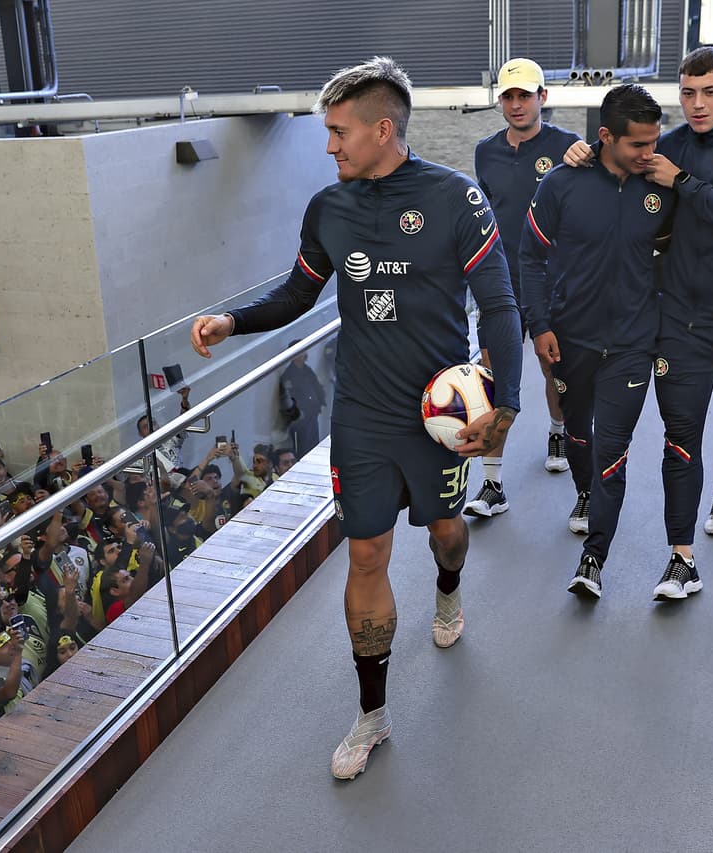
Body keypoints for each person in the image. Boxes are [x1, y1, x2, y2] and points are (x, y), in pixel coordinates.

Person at [190, 56, 522, 781]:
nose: (330, 146)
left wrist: (505, 408)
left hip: (438, 419)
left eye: (339, 132)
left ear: (382, 129)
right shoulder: (328, 209)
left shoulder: (456, 200)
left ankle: (449, 589)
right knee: (366, 556)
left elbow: (499, 307)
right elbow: (295, 295)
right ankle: (372, 713)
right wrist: (231, 319)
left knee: (445, 536)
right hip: (362, 415)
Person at [570, 47, 713, 600]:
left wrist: (682, 181)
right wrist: (581, 155)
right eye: (688, 93)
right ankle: (681, 559)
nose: (697, 103)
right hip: (680, 323)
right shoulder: (664, 148)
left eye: (709, 91)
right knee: (680, 438)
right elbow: (617, 171)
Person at [521, 84, 675, 597]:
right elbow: (530, 259)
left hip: (632, 344)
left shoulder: (662, 187)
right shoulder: (562, 184)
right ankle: (584, 492)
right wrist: (540, 325)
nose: (649, 154)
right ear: (605, 137)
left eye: (654, 142)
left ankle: (593, 558)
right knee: (580, 436)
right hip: (570, 340)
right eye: (638, 145)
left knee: (614, 448)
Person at [464, 58, 583, 520]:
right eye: (508, 96)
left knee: (553, 369)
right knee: (495, 380)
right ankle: (493, 484)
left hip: (552, 283)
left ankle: (557, 428)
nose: (516, 104)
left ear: (542, 99)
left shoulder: (569, 146)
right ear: (499, 101)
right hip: (500, 284)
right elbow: (484, 218)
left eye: (525, 96)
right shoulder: (485, 151)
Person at [279, 344, 327, 457]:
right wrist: (299, 414)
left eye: (303, 351)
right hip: (300, 419)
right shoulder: (289, 374)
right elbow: (288, 398)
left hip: (312, 415)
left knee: (315, 446)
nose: (302, 354)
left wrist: (320, 403)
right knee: (304, 449)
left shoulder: (307, 370)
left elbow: (317, 387)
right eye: (299, 352)